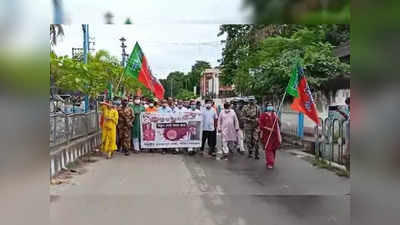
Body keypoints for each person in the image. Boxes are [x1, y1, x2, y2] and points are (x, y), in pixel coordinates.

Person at [259, 103, 282, 169]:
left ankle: (271, 160)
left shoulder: (274, 115)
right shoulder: (263, 115)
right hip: (267, 136)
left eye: (271, 105)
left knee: (274, 149)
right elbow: (261, 125)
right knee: (268, 149)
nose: (270, 107)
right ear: (266, 107)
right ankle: (270, 162)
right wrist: (267, 128)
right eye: (269, 106)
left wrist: (277, 119)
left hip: (274, 135)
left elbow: (279, 124)